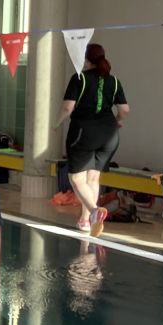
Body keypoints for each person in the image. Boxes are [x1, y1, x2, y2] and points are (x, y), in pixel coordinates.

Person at [60, 42, 129, 236]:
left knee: (76, 178)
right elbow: (125, 110)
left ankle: (94, 210)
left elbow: (67, 108)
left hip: (84, 133)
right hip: (110, 135)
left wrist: (56, 124)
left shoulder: (79, 78)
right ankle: (85, 221)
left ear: (86, 59)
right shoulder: (114, 81)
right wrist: (117, 121)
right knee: (92, 177)